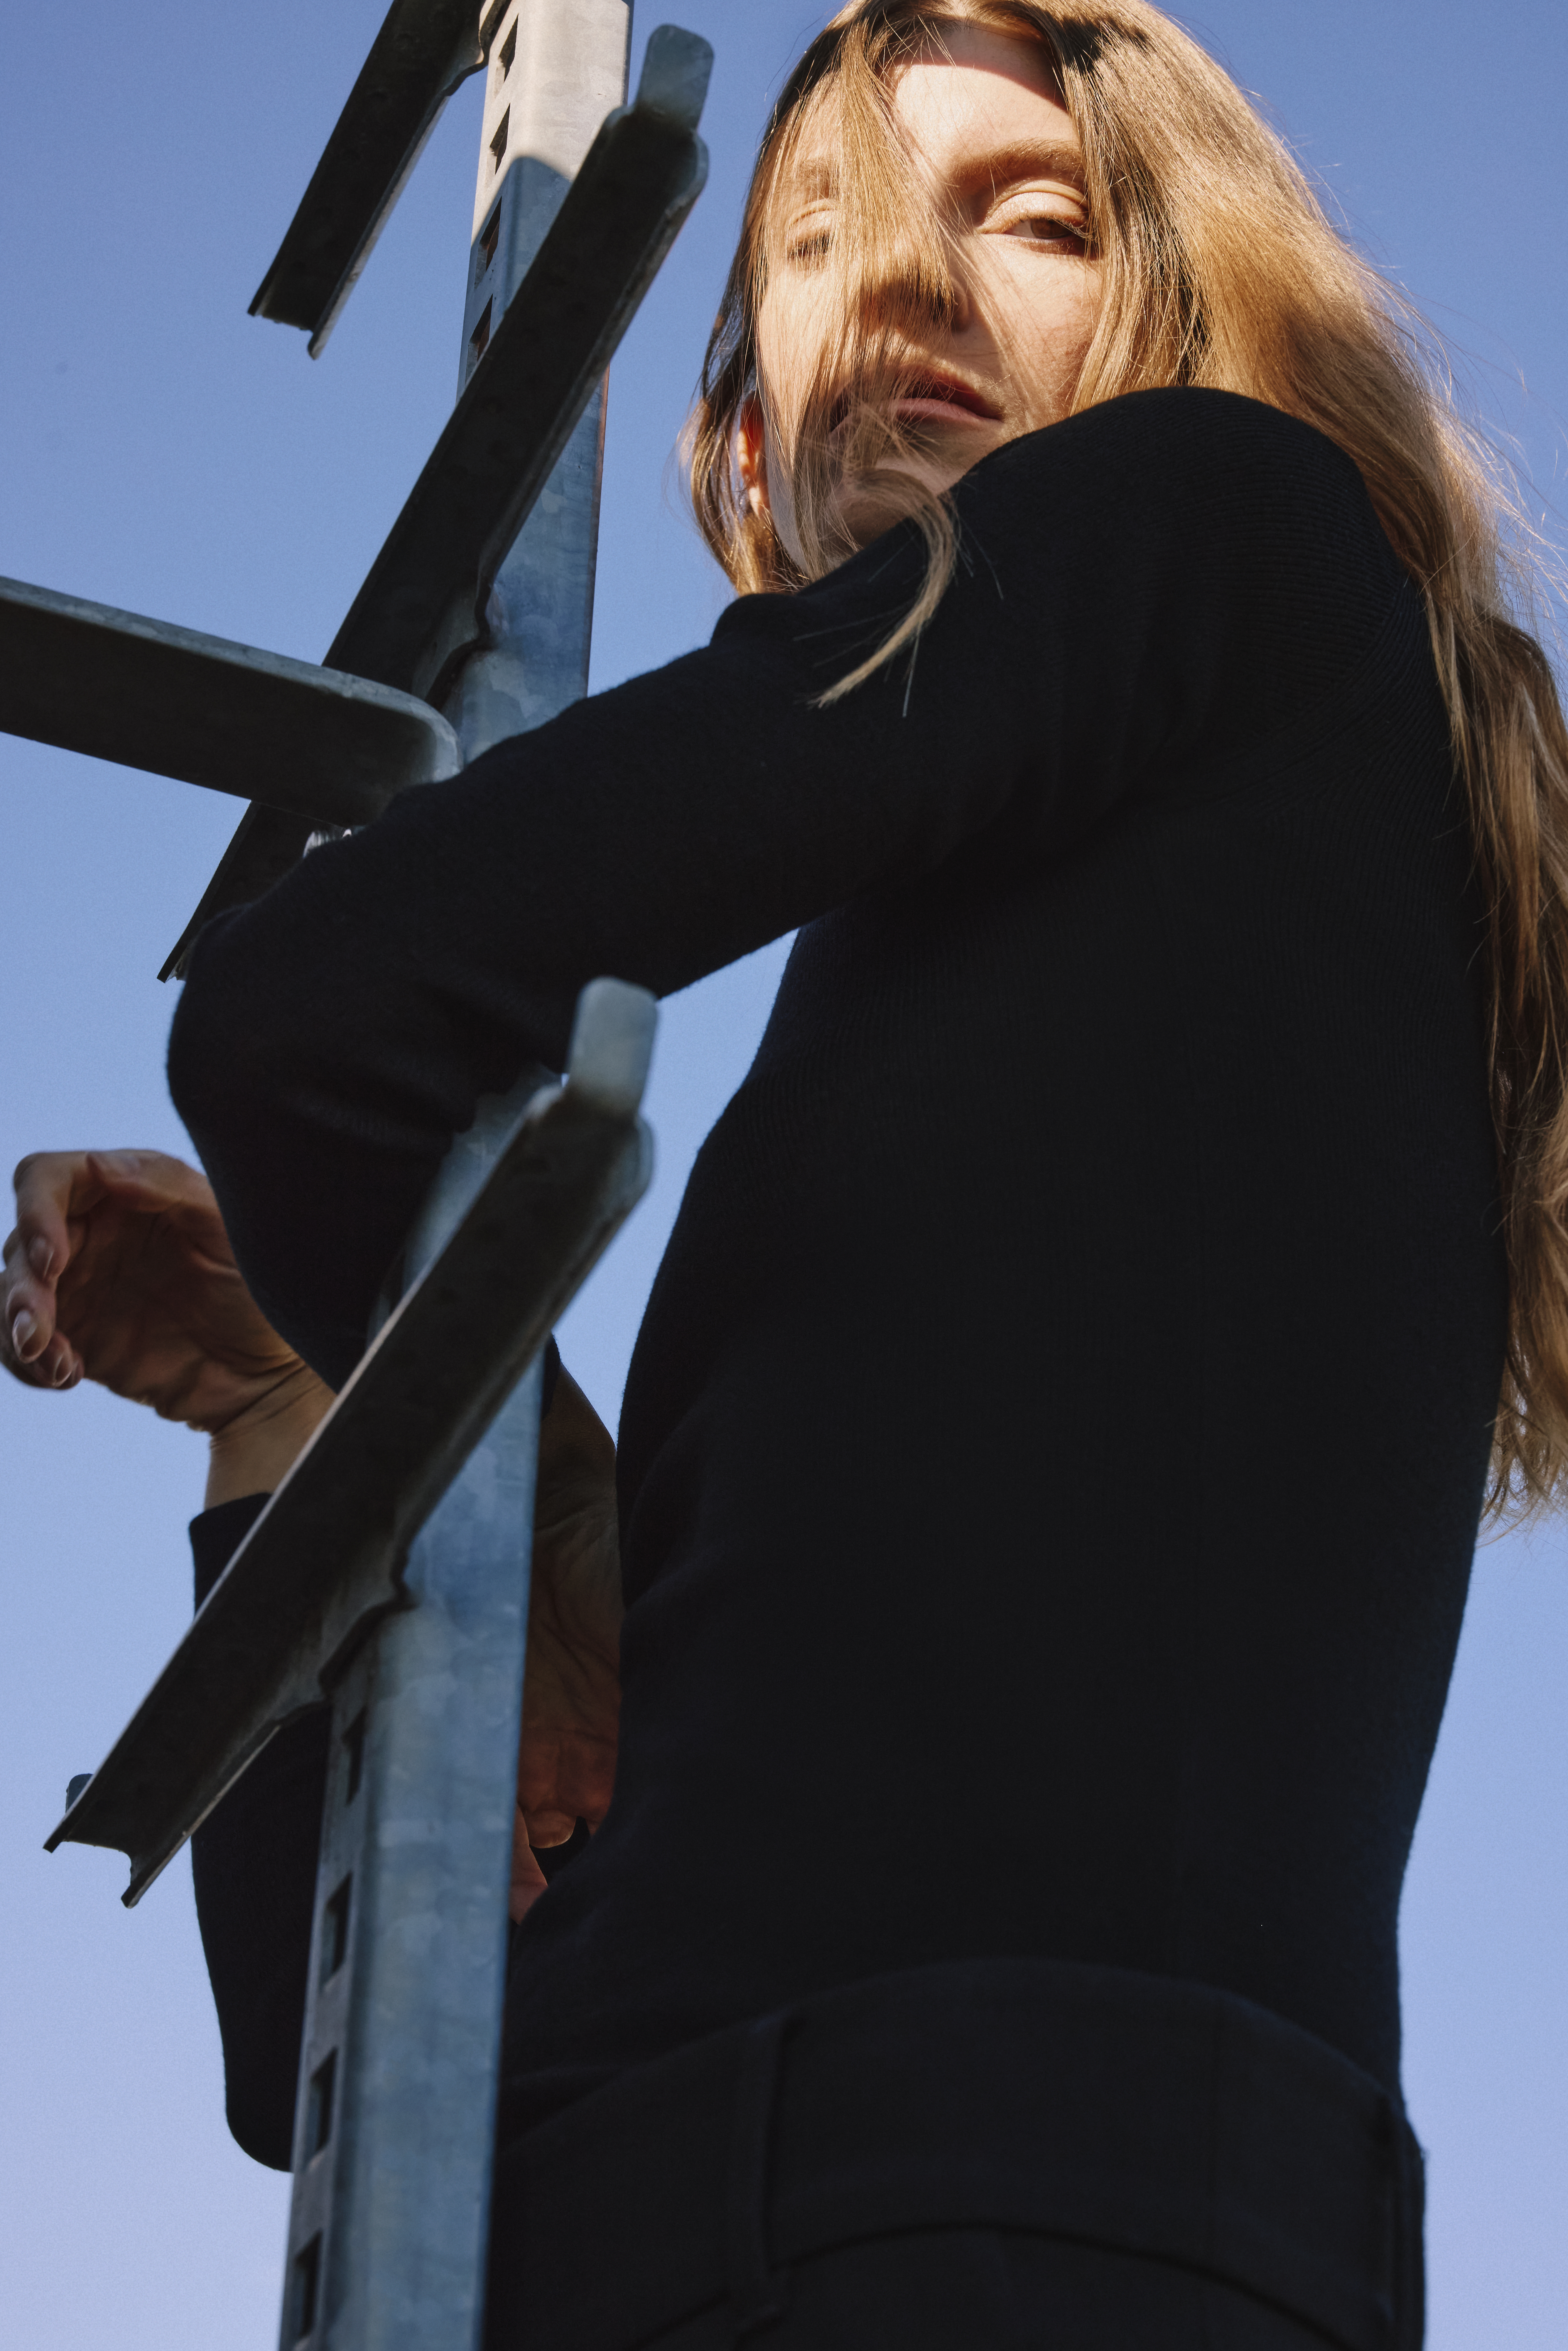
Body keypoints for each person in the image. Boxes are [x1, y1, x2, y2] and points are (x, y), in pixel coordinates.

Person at [7, 2, 1568, 2341]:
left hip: (984, 2223)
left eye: (1028, 218)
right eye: (824, 238)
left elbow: (314, 1002)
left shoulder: (1223, 517)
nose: (909, 284)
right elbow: (343, 2069)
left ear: (1192, 298)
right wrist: (288, 1399)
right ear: (746, 427)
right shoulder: (948, 1083)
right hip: (692, 2224)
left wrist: (543, 1477)